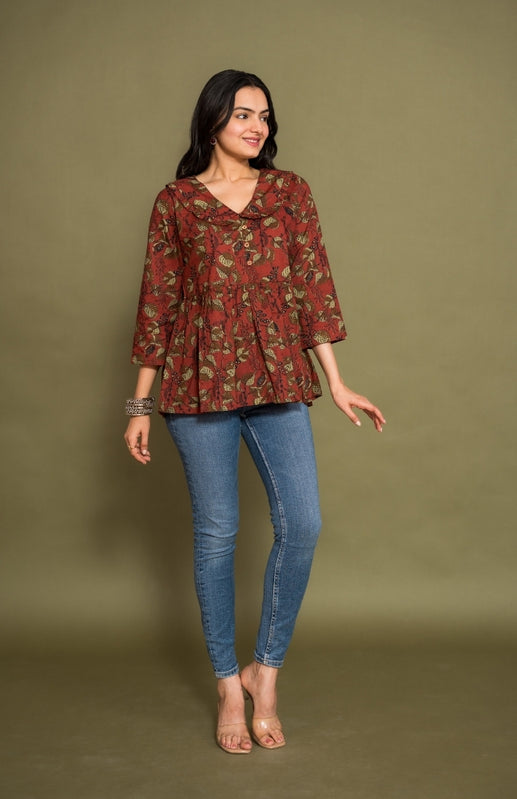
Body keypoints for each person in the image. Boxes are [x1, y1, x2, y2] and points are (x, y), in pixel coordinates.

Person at [124, 69, 385, 754]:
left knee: (303, 523)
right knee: (217, 535)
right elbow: (158, 301)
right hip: (196, 383)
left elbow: (312, 286)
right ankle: (225, 685)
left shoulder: (289, 192)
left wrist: (335, 381)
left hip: (277, 377)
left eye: (263, 116)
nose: (255, 126)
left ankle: (263, 675)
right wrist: (139, 404)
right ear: (212, 119)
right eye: (242, 114)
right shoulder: (176, 201)